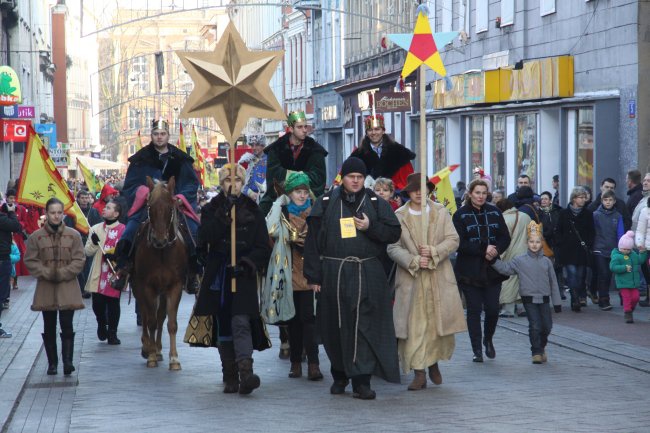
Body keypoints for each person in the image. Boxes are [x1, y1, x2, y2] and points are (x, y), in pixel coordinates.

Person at [303, 157, 402, 400]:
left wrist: (371, 227)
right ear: (343, 178)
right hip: (334, 273)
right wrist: (314, 276)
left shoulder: (376, 203)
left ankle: (361, 381)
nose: (355, 180)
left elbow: (394, 233)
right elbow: (312, 242)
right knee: (335, 325)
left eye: (359, 176)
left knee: (363, 326)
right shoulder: (326, 202)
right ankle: (339, 373)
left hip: (366, 272)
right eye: (351, 176)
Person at [194, 163, 272, 395]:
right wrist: (222, 217)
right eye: (228, 181)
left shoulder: (253, 209)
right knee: (224, 324)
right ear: (222, 183)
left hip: (243, 274)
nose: (233, 185)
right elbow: (204, 238)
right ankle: (229, 375)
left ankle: (246, 373)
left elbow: (262, 246)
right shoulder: (212, 208)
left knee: (241, 322)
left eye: (237, 181)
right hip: (219, 273)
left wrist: (248, 263)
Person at [387, 173, 466, 390]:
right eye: (415, 190)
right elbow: (392, 247)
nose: (420, 193)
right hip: (411, 280)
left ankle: (433, 363)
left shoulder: (440, 212)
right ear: (408, 192)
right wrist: (413, 260)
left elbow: (453, 239)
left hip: (438, 278)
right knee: (414, 328)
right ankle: (419, 372)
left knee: (435, 326)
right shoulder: (399, 215)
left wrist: (434, 251)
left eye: (423, 189)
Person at [113, 118, 201, 292]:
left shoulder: (180, 159)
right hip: (148, 205)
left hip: (175, 205)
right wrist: (144, 193)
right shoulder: (140, 160)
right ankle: (124, 269)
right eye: (156, 134)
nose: (159, 137)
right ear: (151, 136)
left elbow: (192, 184)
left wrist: (181, 197)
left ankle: (193, 272)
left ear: (168, 136)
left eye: (162, 134)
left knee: (194, 231)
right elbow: (130, 185)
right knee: (130, 230)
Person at [263, 171, 323, 381]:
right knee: (294, 321)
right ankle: (296, 363)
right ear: (290, 193)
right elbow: (270, 229)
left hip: (309, 273)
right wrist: (280, 202)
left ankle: (314, 364)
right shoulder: (282, 212)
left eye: (305, 191)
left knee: (309, 320)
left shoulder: (316, 212)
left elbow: (321, 238)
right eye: (298, 191)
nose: (302, 195)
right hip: (287, 271)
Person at [24, 198, 85, 376]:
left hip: (68, 286)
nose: (56, 216)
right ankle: (52, 363)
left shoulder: (74, 235)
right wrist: (48, 273)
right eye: (53, 212)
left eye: (59, 212)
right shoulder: (37, 236)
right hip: (46, 287)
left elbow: (79, 260)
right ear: (47, 213)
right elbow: (30, 261)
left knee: (67, 324)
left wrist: (63, 273)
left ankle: (67, 362)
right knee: (48, 325)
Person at [452, 179, 511, 363]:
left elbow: (504, 237)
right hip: (469, 269)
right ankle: (476, 348)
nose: (480, 196)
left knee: (493, 309)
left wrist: (496, 249)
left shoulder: (494, 211)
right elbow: (458, 243)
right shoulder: (460, 215)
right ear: (470, 193)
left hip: (492, 268)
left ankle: (488, 339)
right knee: (474, 310)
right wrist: (482, 249)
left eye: (484, 193)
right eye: (477, 193)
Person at [491, 221, 562, 364]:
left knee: (547, 326)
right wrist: (493, 260)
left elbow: (553, 282)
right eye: (531, 241)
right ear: (527, 243)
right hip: (528, 298)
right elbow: (506, 269)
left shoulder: (547, 262)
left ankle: (541, 347)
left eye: (537, 241)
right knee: (535, 325)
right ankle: (536, 352)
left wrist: (557, 302)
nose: (534, 244)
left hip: (544, 298)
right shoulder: (520, 260)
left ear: (542, 243)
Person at [260, 111, 328, 215]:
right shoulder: (276, 149)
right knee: (262, 211)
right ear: (291, 129)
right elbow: (273, 175)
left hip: (307, 198)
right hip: (280, 198)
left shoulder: (315, 150)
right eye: (300, 127)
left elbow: (319, 177)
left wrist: (296, 179)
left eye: (305, 127)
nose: (304, 130)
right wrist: (297, 176)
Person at [84, 199, 126, 345]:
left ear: (116, 213)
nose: (104, 209)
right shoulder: (95, 228)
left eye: (108, 208)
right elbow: (87, 252)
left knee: (114, 304)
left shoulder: (123, 230)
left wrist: (115, 256)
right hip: (98, 272)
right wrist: (95, 243)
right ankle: (101, 323)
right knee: (98, 304)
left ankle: (113, 333)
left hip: (114, 273)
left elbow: (126, 252)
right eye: (105, 207)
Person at [554, 186, 595, 312]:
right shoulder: (564, 213)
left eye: (584, 197)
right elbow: (558, 231)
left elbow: (591, 231)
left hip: (581, 250)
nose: (583, 200)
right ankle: (575, 299)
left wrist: (588, 244)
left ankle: (577, 295)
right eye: (581, 197)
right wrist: (561, 244)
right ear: (574, 198)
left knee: (580, 276)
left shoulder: (587, 214)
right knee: (571, 274)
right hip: (568, 250)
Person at [349, 114, 415, 191]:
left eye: (377, 129)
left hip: (393, 198)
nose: (373, 133)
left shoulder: (399, 152)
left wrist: (398, 195)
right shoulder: (357, 155)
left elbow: (407, 181)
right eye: (370, 130)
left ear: (383, 131)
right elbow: (349, 180)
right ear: (366, 133)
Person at [495, 199, 532, 318]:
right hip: (526, 254)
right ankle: (522, 309)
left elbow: (503, 240)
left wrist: (498, 256)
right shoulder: (525, 216)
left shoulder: (504, 219)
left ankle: (508, 310)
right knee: (523, 281)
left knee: (508, 281)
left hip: (511, 254)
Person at [65, 189, 102, 299]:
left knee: (89, 266)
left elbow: (99, 225)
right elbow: (68, 226)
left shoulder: (94, 211)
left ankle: (88, 288)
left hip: (90, 242)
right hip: (77, 242)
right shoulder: (74, 212)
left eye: (86, 198)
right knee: (79, 266)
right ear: (78, 199)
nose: (85, 200)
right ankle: (81, 288)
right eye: (82, 198)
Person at [591, 190, 625, 311]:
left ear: (614, 201)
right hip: (599, 249)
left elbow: (620, 233)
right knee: (603, 274)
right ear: (602, 201)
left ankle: (616, 297)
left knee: (609, 275)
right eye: (606, 200)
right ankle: (604, 299)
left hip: (613, 249)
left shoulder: (618, 216)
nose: (608, 202)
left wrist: (621, 247)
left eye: (610, 200)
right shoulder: (595, 215)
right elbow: (592, 232)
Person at [610, 231, 647, 323]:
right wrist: (624, 268)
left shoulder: (633, 255)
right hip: (623, 282)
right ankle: (627, 313)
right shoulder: (617, 256)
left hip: (634, 282)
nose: (626, 251)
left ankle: (630, 308)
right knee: (627, 298)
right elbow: (613, 267)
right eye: (624, 249)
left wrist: (642, 253)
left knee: (636, 297)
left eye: (628, 249)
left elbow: (640, 261)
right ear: (620, 247)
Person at [0, 202, 21, 338]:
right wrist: (12, 212)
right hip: (2, 260)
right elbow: (16, 226)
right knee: (1, 295)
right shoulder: (2, 219)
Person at [2, 189, 28, 295]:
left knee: (17, 259)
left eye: (14, 198)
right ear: (6, 197)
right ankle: (8, 282)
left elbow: (24, 222)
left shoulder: (21, 209)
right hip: (7, 238)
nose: (12, 200)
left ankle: (15, 281)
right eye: (10, 198)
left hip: (17, 237)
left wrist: (19, 225)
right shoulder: (2, 208)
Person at [539, 191, 565, 299]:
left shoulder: (557, 211)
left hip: (558, 244)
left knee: (558, 268)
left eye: (545, 199)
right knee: (546, 269)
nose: (543, 201)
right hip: (545, 243)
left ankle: (560, 291)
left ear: (550, 200)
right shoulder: (538, 213)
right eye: (542, 199)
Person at [239, 135, 267, 204]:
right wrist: (249, 192)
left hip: (265, 200)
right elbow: (240, 182)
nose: (254, 148)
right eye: (252, 145)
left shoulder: (271, 160)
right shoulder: (246, 160)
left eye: (257, 145)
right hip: (249, 201)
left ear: (263, 145)